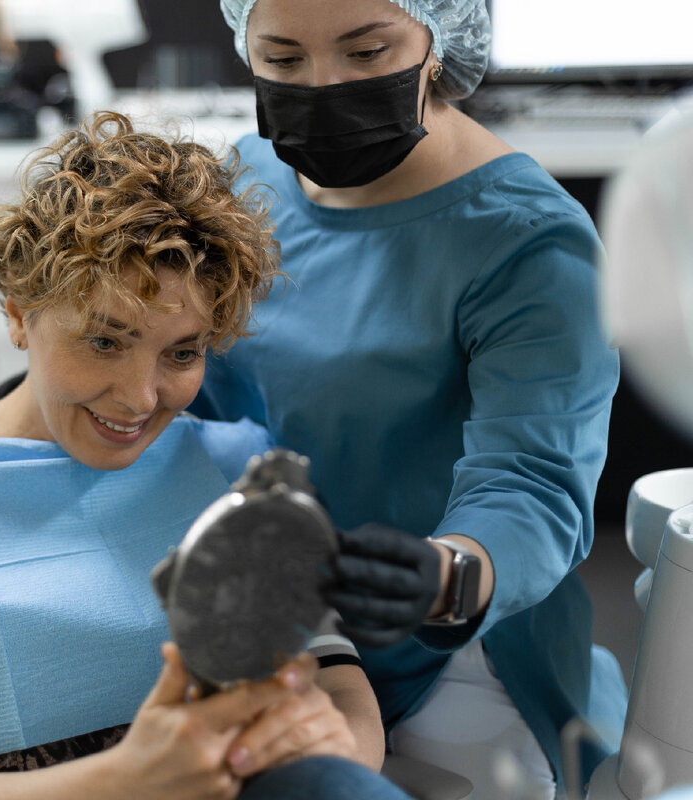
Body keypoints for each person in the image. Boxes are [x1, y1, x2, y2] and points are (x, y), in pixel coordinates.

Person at [0, 111, 414, 800]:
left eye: (182, 353)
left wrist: (336, 752)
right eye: (104, 342)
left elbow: (341, 688)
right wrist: (126, 780)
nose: (139, 398)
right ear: (19, 313)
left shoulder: (234, 478)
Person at [195, 1, 629, 797]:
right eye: (283, 60)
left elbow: (533, 483)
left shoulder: (527, 242)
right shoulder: (243, 180)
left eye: (366, 53)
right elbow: (191, 382)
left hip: (457, 654)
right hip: (273, 610)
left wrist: (447, 577)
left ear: (438, 41)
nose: (323, 86)